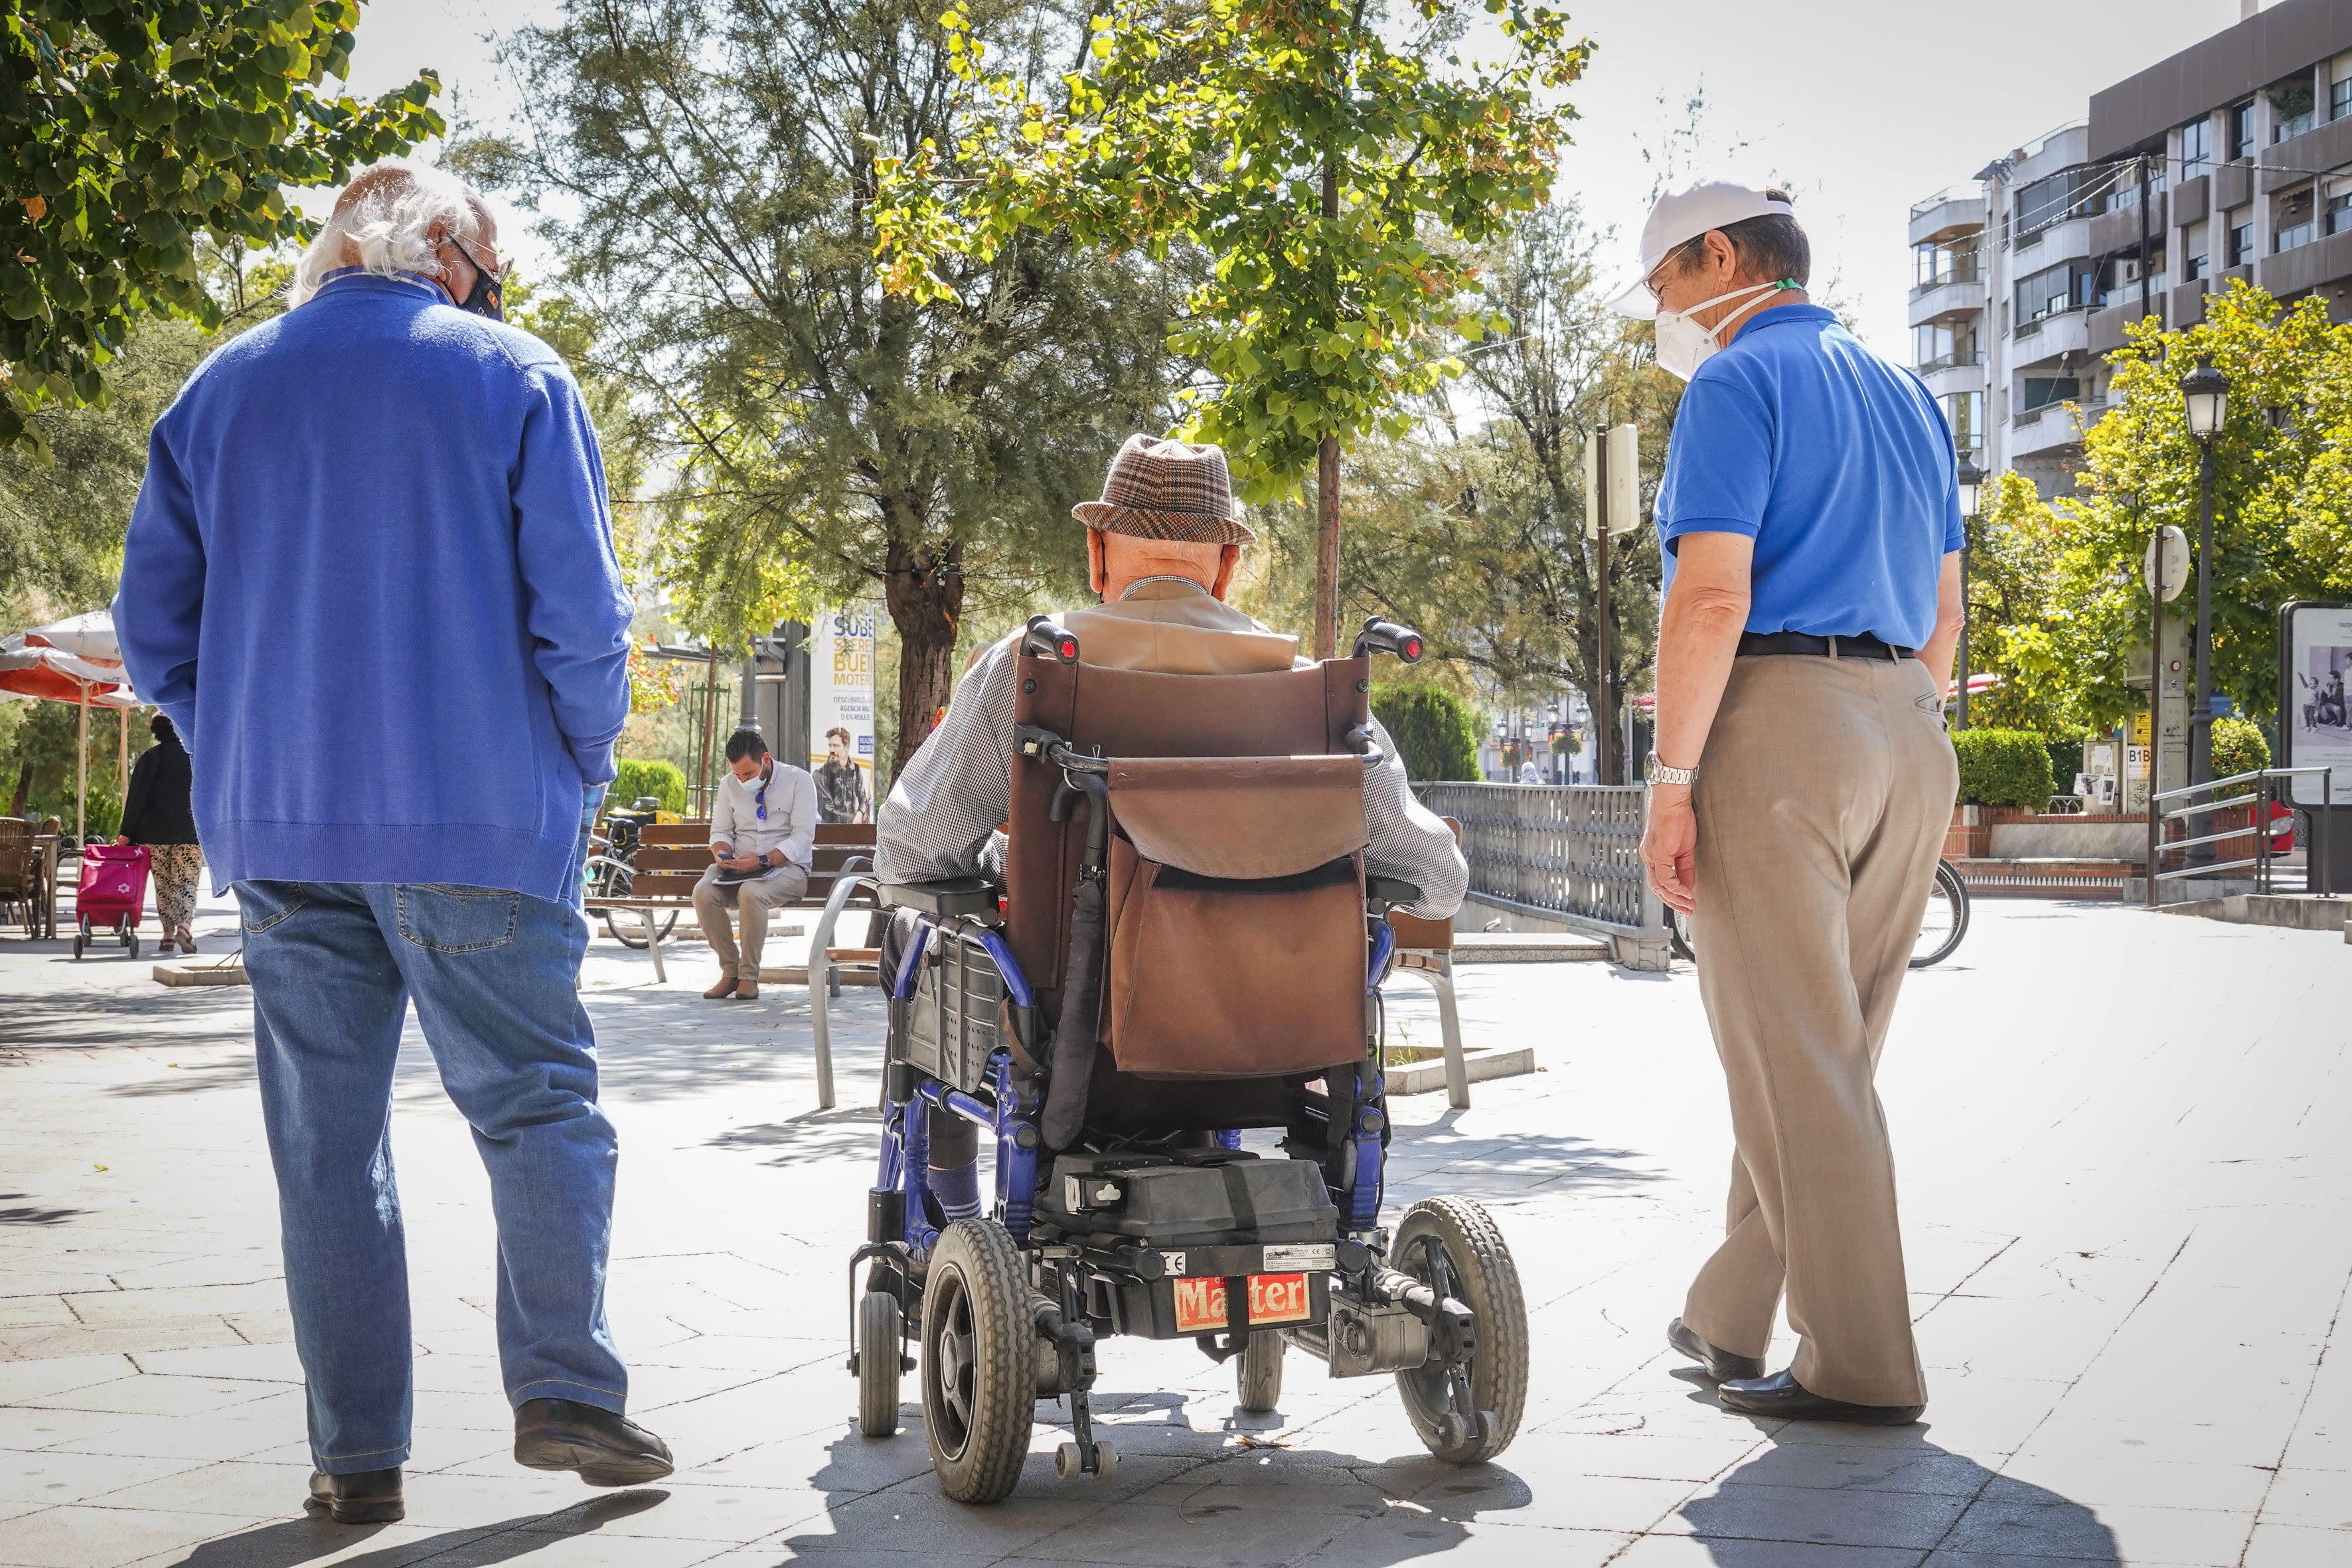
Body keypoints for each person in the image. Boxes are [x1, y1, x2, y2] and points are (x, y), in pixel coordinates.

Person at [114, 161, 671, 1527]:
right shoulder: (517, 376)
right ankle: (563, 1387)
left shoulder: (215, 394)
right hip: (481, 807)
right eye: (493, 273)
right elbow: (583, 622)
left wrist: (236, 737)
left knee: (325, 1142)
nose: (497, 295)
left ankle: (355, 1454)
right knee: (538, 1100)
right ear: (450, 256)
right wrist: (584, 757)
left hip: (288, 822)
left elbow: (150, 637)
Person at [877, 432, 1468, 1223]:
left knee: (912, 937)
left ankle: (941, 1213)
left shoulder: (1036, 669)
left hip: (1080, 1046)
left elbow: (911, 849)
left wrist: (1005, 856)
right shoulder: (1311, 694)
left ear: (1097, 550)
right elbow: (1438, 884)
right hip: (1279, 1044)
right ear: (1227, 564)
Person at [1610, 182, 1964, 1425]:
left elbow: (1709, 598)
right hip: (1907, 724)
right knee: (1829, 1051)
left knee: (1795, 1057)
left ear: (1716, 257)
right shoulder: (1909, 394)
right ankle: (1727, 1311)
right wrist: (1892, 728)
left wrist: (1668, 787)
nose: (1659, 314)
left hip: (1779, 727)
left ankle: (1857, 1364)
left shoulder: (1731, 384)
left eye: (1660, 284)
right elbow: (1942, 618)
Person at [692, 728, 819, 1001]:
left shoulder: (799, 780)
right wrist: (723, 854)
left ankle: (749, 977)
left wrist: (764, 860)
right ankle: (730, 972)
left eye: (748, 774)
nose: (742, 780)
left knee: (752, 892)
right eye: (737, 774)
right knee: (703, 893)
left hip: (788, 869)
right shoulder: (729, 785)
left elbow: (803, 837)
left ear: (765, 759)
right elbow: (721, 831)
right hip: (740, 868)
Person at [116, 713, 202, 953]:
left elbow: (136, 799)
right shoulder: (194, 758)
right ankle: (184, 926)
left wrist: (126, 833)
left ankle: (167, 935)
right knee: (187, 882)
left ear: (156, 731)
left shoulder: (149, 758)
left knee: (163, 885)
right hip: (190, 832)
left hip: (153, 835)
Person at [813, 725, 870, 824]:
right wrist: (854, 819)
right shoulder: (820, 775)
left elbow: (863, 797)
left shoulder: (856, 770)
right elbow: (827, 810)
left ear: (846, 747)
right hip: (831, 834)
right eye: (830, 745)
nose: (832, 750)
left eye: (836, 746)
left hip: (855, 833)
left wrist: (861, 812)